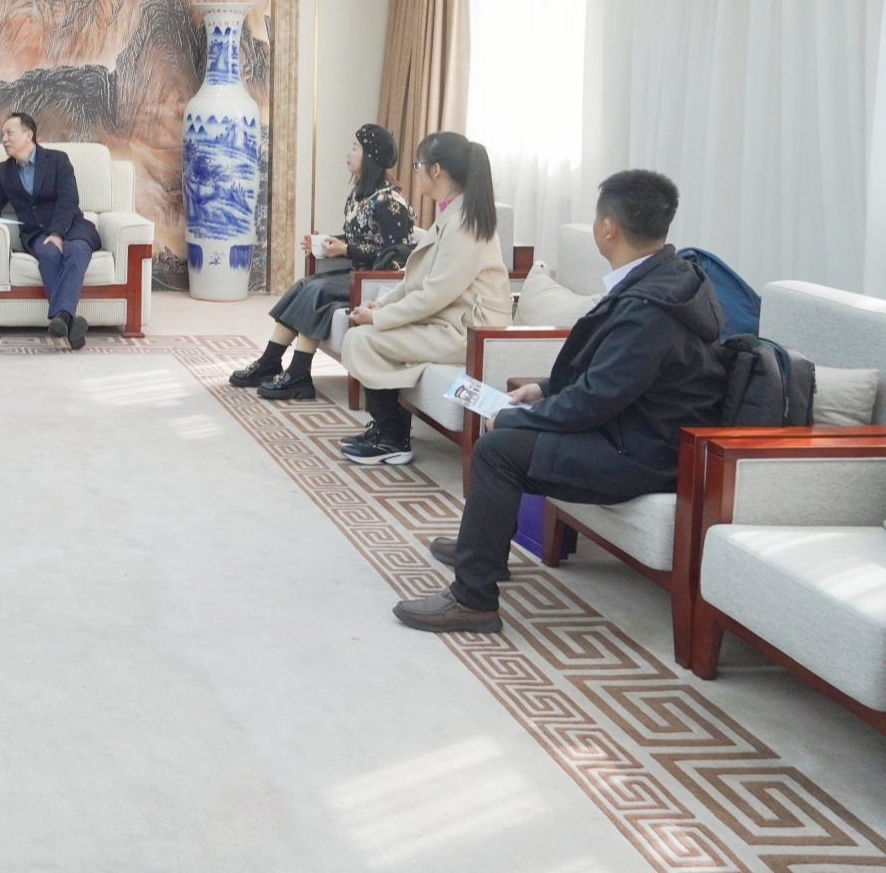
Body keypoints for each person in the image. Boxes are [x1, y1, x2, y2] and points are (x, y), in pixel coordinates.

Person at [395, 170, 729, 633]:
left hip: (640, 452)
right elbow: (613, 375)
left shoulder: (649, 309)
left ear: (607, 228)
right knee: (508, 434)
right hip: (640, 429)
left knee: (497, 450)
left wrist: (518, 417)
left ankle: (473, 599)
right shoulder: (671, 277)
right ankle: (485, 549)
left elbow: (595, 400)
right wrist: (546, 390)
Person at [338, 131, 511, 466]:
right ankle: (387, 429)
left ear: (436, 170)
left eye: (418, 166)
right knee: (365, 335)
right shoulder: (453, 214)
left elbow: (434, 295)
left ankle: (392, 439)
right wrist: (381, 305)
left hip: (468, 333)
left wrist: (379, 318)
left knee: (363, 340)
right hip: (449, 322)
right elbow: (416, 281)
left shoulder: (464, 224)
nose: (414, 172)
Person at [230, 123, 416, 400]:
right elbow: (358, 237)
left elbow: (393, 254)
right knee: (305, 285)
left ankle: (298, 374)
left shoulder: (391, 202)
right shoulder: (360, 194)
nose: (349, 153)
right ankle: (270, 362)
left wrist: (346, 250)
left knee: (317, 290)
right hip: (356, 273)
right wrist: (329, 243)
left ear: (370, 156)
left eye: (355, 148)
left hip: (374, 283)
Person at [0, 111, 100, 349]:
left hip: (71, 226)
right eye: (2, 134)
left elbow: (69, 200)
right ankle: (68, 319)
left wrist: (57, 233)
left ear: (28, 135)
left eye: (9, 133)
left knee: (77, 251)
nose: (4, 139)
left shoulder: (58, 160)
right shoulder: (4, 171)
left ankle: (61, 317)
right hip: (37, 234)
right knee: (49, 254)